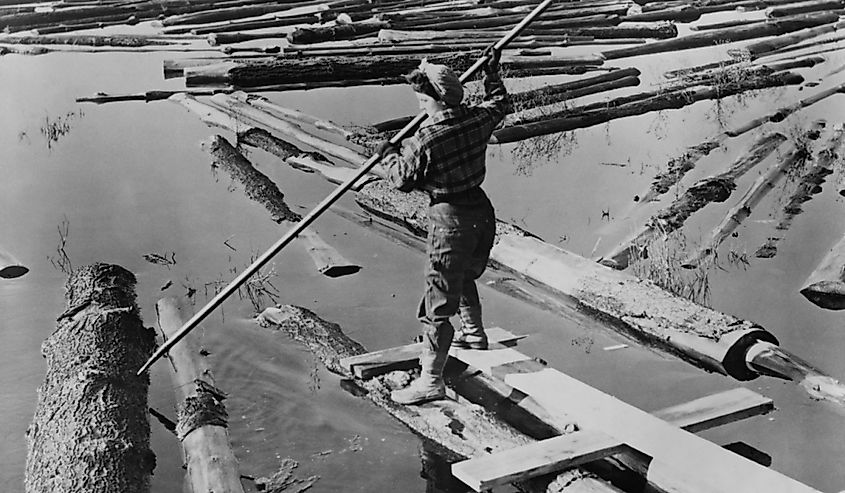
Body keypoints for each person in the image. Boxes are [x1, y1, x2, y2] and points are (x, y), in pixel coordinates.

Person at [376, 49, 510, 405]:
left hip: (450, 220)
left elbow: (401, 180)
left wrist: (387, 154)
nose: (420, 106)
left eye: (422, 100)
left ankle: (431, 381)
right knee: (464, 275)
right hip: (481, 211)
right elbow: (499, 102)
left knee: (437, 300)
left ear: (434, 99)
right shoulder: (478, 119)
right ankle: (474, 335)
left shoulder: (426, 140)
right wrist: (492, 73)